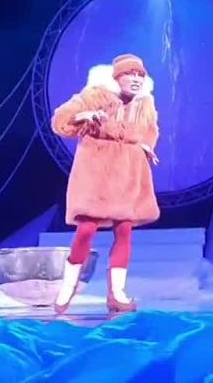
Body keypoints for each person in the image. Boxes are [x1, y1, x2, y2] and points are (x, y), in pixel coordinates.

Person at [51, 54, 160, 314]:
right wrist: (84, 115)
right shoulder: (95, 96)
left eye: (140, 75)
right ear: (117, 77)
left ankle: (116, 294)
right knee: (86, 229)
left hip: (128, 172)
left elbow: (151, 129)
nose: (136, 79)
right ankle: (67, 288)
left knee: (124, 229)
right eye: (130, 74)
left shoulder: (145, 104)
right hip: (97, 171)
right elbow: (60, 122)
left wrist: (145, 146)